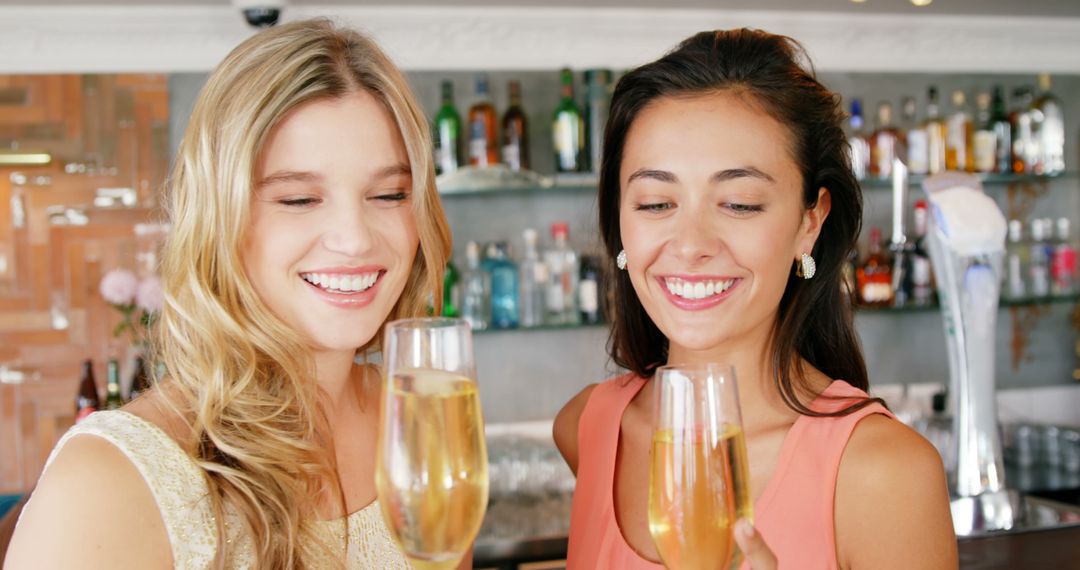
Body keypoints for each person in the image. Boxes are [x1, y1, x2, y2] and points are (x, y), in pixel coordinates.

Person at [5, 19, 461, 569]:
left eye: (389, 194)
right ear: (219, 218)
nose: (356, 238)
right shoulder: (110, 482)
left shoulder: (424, 417)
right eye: (297, 199)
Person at [553, 29, 958, 569]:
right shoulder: (588, 426)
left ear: (809, 223)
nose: (692, 244)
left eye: (740, 204)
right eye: (654, 203)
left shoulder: (883, 475)